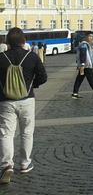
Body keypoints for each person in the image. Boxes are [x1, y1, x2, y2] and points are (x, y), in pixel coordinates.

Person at [0, 27, 47, 184]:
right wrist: (31, 85)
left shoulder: (1, 58)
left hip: (6, 100)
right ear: (23, 41)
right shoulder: (31, 56)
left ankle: (7, 165)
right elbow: (43, 77)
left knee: (6, 133)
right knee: (27, 132)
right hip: (27, 99)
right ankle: (25, 163)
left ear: (7, 42)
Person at [72, 31, 93, 99]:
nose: (91, 38)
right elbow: (83, 55)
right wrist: (83, 65)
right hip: (86, 65)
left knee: (79, 79)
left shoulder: (86, 45)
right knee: (91, 79)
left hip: (84, 65)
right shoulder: (84, 45)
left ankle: (75, 93)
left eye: (92, 36)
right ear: (86, 37)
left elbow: (91, 55)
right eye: (90, 36)